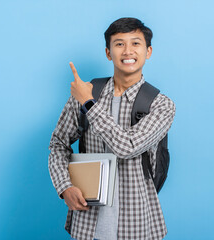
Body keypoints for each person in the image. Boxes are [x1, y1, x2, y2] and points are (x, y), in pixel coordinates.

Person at [48, 17, 176, 240]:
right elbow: (58, 144)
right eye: (119, 44)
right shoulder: (88, 92)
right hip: (88, 220)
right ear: (108, 53)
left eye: (136, 43)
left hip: (138, 222)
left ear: (149, 51)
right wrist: (64, 186)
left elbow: (127, 147)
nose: (128, 51)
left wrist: (88, 103)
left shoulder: (161, 105)